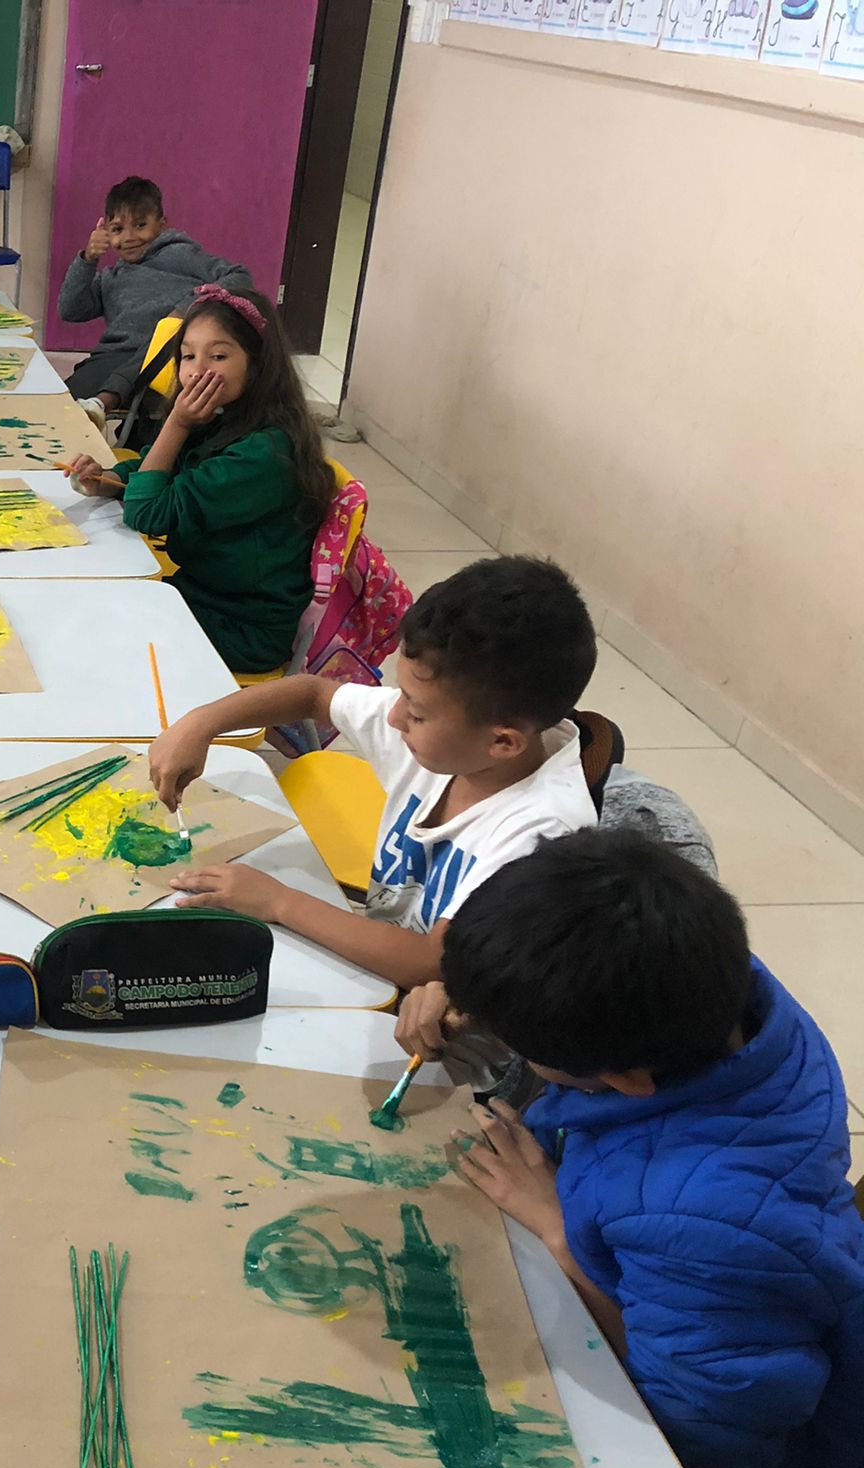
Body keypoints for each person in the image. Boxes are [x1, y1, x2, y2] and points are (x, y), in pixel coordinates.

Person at [435, 829, 864, 1468]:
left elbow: (708, 1463)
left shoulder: (715, 1230)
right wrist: (476, 994)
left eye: (521, 1049)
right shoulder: (711, 987)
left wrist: (558, 1231)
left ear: (625, 1080)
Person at [142, 555, 598, 991]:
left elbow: (432, 963)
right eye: (401, 696)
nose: (394, 718)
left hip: (435, 1015)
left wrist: (280, 901)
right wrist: (200, 724)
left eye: (416, 712)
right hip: (374, 960)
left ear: (504, 742)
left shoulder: (541, 835)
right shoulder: (459, 736)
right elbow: (313, 694)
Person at [65, 285, 323, 675]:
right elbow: (159, 470)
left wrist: (177, 422)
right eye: (188, 356)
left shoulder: (264, 454)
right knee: (84, 601)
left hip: (243, 628)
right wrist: (106, 479)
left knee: (93, 633)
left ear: (258, 363)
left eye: (218, 356)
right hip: (201, 592)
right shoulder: (226, 416)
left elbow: (148, 513)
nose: (197, 371)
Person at [57, 177, 250, 405]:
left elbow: (239, 276)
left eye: (140, 225)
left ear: (161, 225)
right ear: (106, 232)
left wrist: (187, 308)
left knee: (156, 400)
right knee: (61, 405)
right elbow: (70, 310)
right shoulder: (110, 278)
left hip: (167, 360)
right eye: (117, 229)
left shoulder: (180, 255)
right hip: (111, 359)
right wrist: (87, 259)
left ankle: (108, 406)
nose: (129, 237)